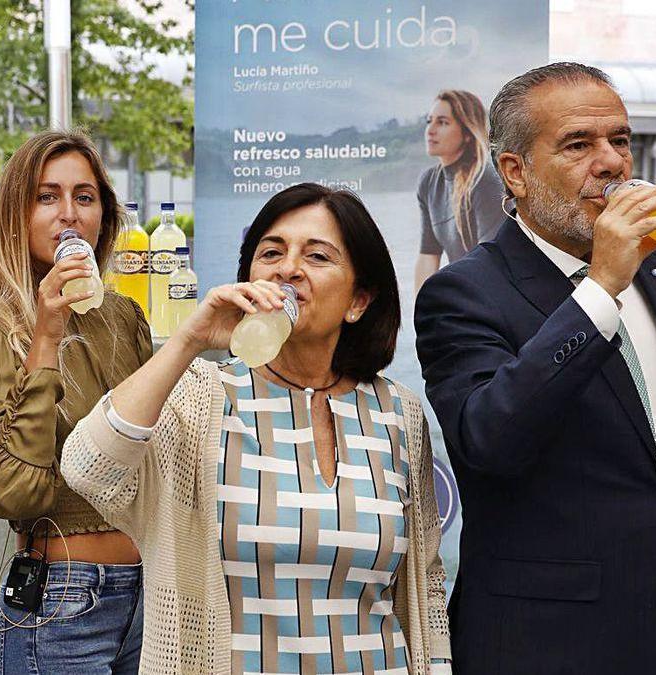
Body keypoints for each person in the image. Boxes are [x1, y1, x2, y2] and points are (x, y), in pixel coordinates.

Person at [415, 62, 656, 674]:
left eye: (619, 141)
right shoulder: (463, 294)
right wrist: (599, 288)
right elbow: (489, 439)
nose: (612, 162)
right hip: (553, 646)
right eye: (579, 144)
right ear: (514, 172)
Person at [63, 183, 451, 674]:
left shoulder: (398, 411)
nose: (288, 268)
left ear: (358, 300)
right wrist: (190, 340)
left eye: (317, 256)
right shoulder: (201, 396)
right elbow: (86, 470)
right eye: (272, 252)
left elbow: (426, 585)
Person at [0, 131, 151, 674]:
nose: (69, 214)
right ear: (17, 216)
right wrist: (45, 335)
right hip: (61, 603)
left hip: (150, 597)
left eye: (84, 198)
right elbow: (15, 493)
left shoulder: (123, 317)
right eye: (47, 197)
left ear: (104, 219)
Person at [414, 89, 505, 294]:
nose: (431, 130)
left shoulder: (486, 179)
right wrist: (424, 311)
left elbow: (491, 260)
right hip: (463, 293)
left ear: (466, 133)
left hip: (489, 297)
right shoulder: (428, 182)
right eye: (429, 121)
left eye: (443, 122)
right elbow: (428, 255)